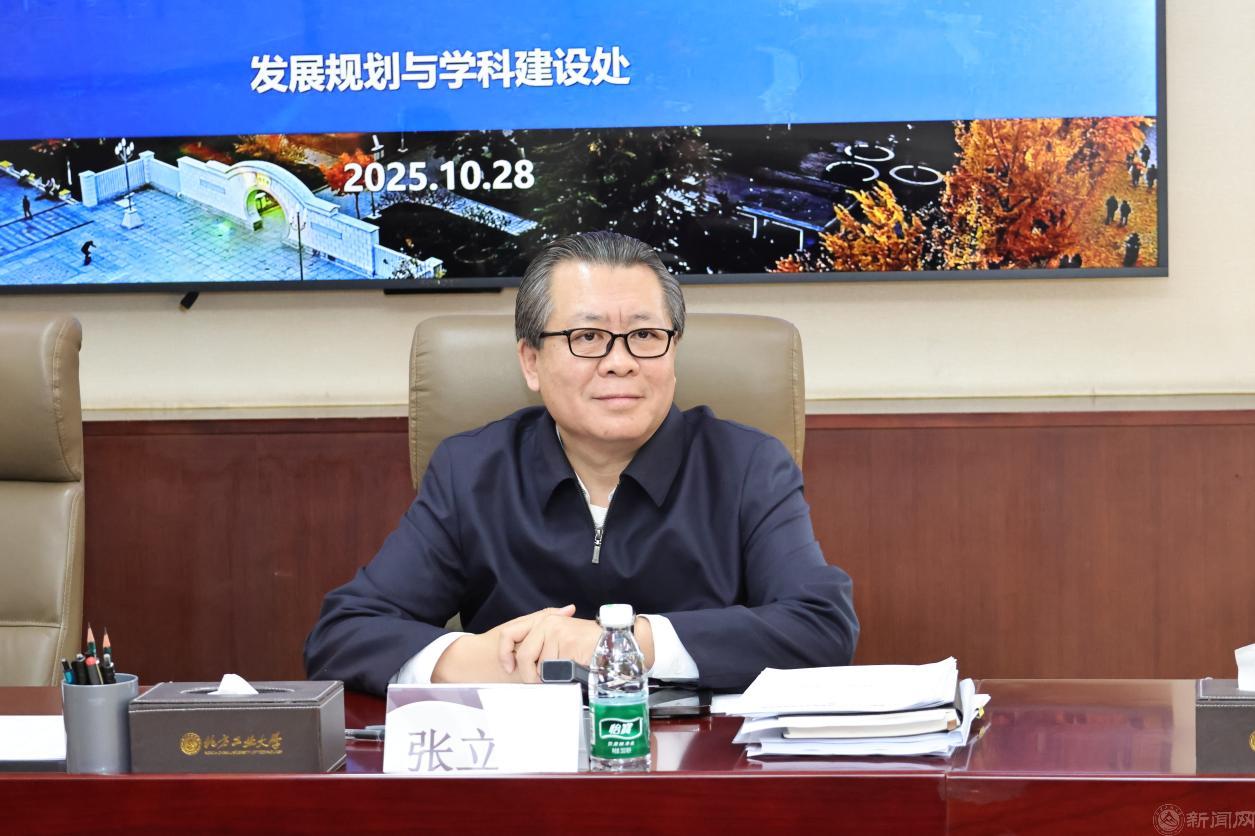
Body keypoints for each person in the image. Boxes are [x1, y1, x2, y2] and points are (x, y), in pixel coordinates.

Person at [305, 231, 859, 695]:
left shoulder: (747, 465)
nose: (620, 362)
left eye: (645, 335)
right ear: (531, 361)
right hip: (518, 767)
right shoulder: (472, 470)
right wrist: (488, 658)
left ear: (673, 351)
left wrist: (619, 644)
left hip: (695, 766)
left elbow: (820, 626)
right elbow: (343, 636)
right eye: (587, 337)